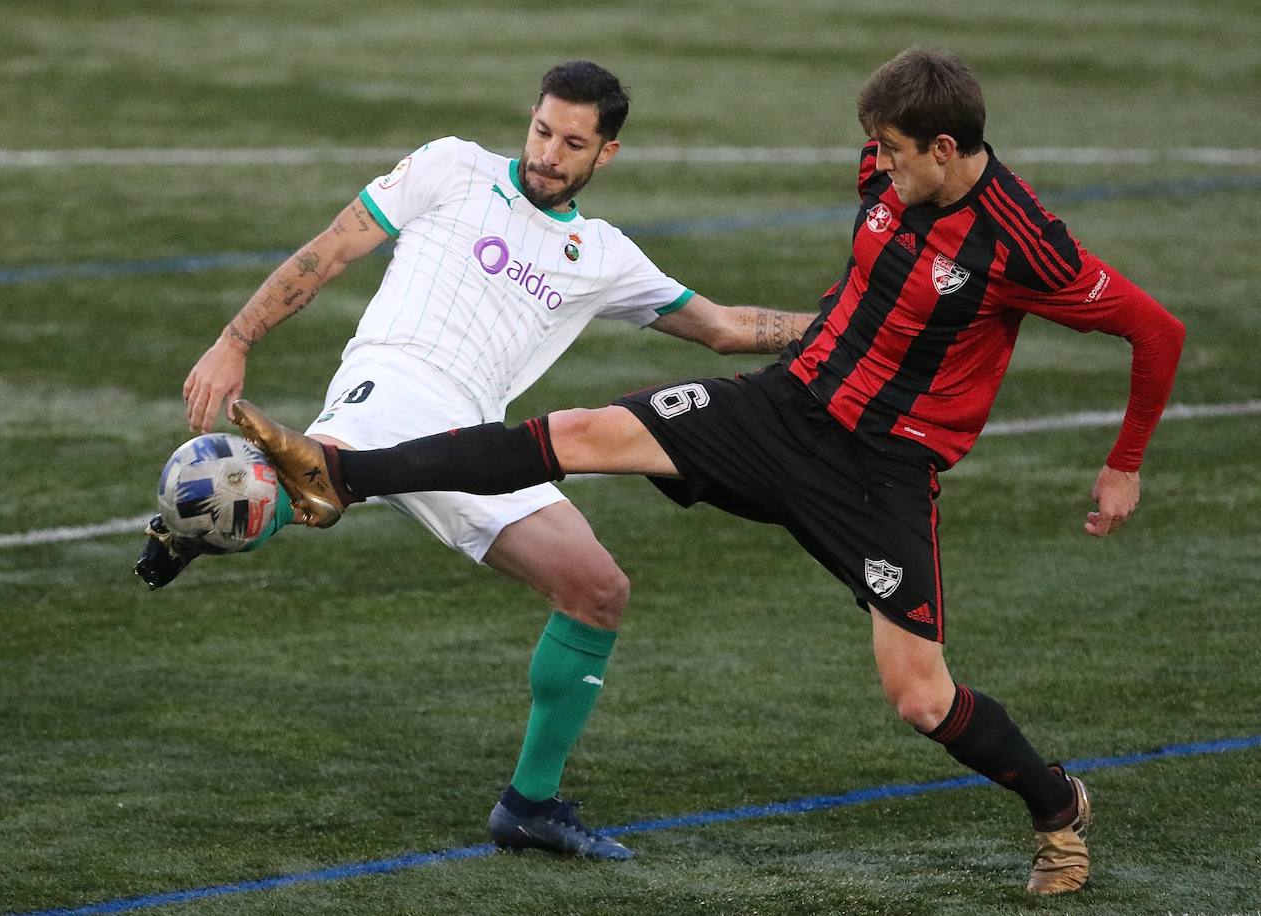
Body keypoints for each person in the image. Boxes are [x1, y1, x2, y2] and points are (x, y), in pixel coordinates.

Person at [230, 48, 1187, 893]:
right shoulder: (886, 170)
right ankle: (342, 477)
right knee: (581, 431)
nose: (879, 167)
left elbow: (1157, 331)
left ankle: (1059, 808)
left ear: (943, 148)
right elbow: (826, 296)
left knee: (919, 695)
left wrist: (1125, 463)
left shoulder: (1025, 244)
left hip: (880, 471)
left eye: (895, 151)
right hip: (783, 407)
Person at [152, 60, 813, 860]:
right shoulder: (451, 165)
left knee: (595, 589)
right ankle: (225, 506)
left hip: (480, 442)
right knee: (335, 475)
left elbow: (723, 327)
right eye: (541, 131)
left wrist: (844, 326)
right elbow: (330, 251)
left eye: (573, 143)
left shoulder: (603, 255)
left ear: (606, 155)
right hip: (390, 382)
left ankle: (528, 805)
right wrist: (234, 340)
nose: (548, 154)